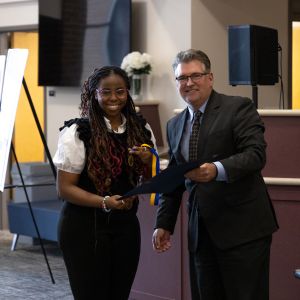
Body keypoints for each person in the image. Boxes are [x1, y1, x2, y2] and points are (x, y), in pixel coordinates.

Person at [152, 49, 279, 300]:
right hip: (201, 235)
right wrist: (164, 223)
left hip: (243, 232)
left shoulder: (238, 108)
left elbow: (255, 155)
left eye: (195, 75)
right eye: (182, 78)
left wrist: (216, 170)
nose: (188, 83)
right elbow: (175, 180)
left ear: (210, 78)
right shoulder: (174, 125)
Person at [53, 66, 156, 300]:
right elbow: (64, 189)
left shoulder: (141, 129)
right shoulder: (78, 132)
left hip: (126, 227)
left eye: (119, 91)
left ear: (127, 93)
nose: (113, 98)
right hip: (84, 229)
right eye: (105, 92)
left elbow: (150, 180)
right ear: (94, 94)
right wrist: (105, 202)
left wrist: (149, 161)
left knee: (119, 295)